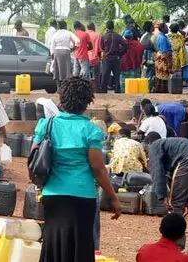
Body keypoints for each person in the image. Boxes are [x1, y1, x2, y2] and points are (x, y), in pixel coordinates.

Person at [31, 77, 120, 262]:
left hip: (53, 195)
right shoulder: (90, 130)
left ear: (62, 99)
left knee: (53, 241)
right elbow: (97, 168)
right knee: (80, 245)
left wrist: (41, 187)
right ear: (87, 102)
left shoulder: (47, 125)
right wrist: (113, 197)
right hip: (82, 196)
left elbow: (33, 159)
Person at [145, 132, 188, 256]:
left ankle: (176, 246)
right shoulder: (172, 145)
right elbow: (175, 177)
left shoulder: (154, 146)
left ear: (148, 143)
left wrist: (162, 195)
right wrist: (186, 202)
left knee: (176, 205)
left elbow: (157, 171)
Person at [100, 20, 127, 93]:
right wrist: (120, 54)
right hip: (116, 58)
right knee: (116, 77)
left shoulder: (104, 36)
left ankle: (103, 93)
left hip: (107, 58)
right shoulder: (118, 36)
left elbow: (102, 47)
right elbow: (125, 45)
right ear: (113, 27)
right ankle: (117, 92)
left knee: (105, 77)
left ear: (107, 27)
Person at [153, 23, 174, 93]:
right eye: (166, 27)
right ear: (162, 29)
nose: (168, 29)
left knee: (161, 75)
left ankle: (161, 90)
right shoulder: (162, 38)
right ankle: (162, 91)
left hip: (161, 57)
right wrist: (169, 63)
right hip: (164, 58)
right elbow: (165, 53)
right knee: (163, 75)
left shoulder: (162, 36)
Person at [87, 23, 102, 90]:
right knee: (97, 75)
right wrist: (100, 58)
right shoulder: (97, 35)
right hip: (95, 58)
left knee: (87, 75)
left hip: (86, 58)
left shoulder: (85, 34)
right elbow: (99, 49)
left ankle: (87, 88)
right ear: (93, 27)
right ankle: (97, 88)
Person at [140, 21, 155, 88]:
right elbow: (156, 47)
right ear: (150, 27)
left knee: (145, 72)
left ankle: (144, 86)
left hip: (144, 57)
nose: (153, 27)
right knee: (151, 72)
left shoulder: (143, 35)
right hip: (151, 56)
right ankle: (149, 87)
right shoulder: (153, 36)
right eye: (152, 26)